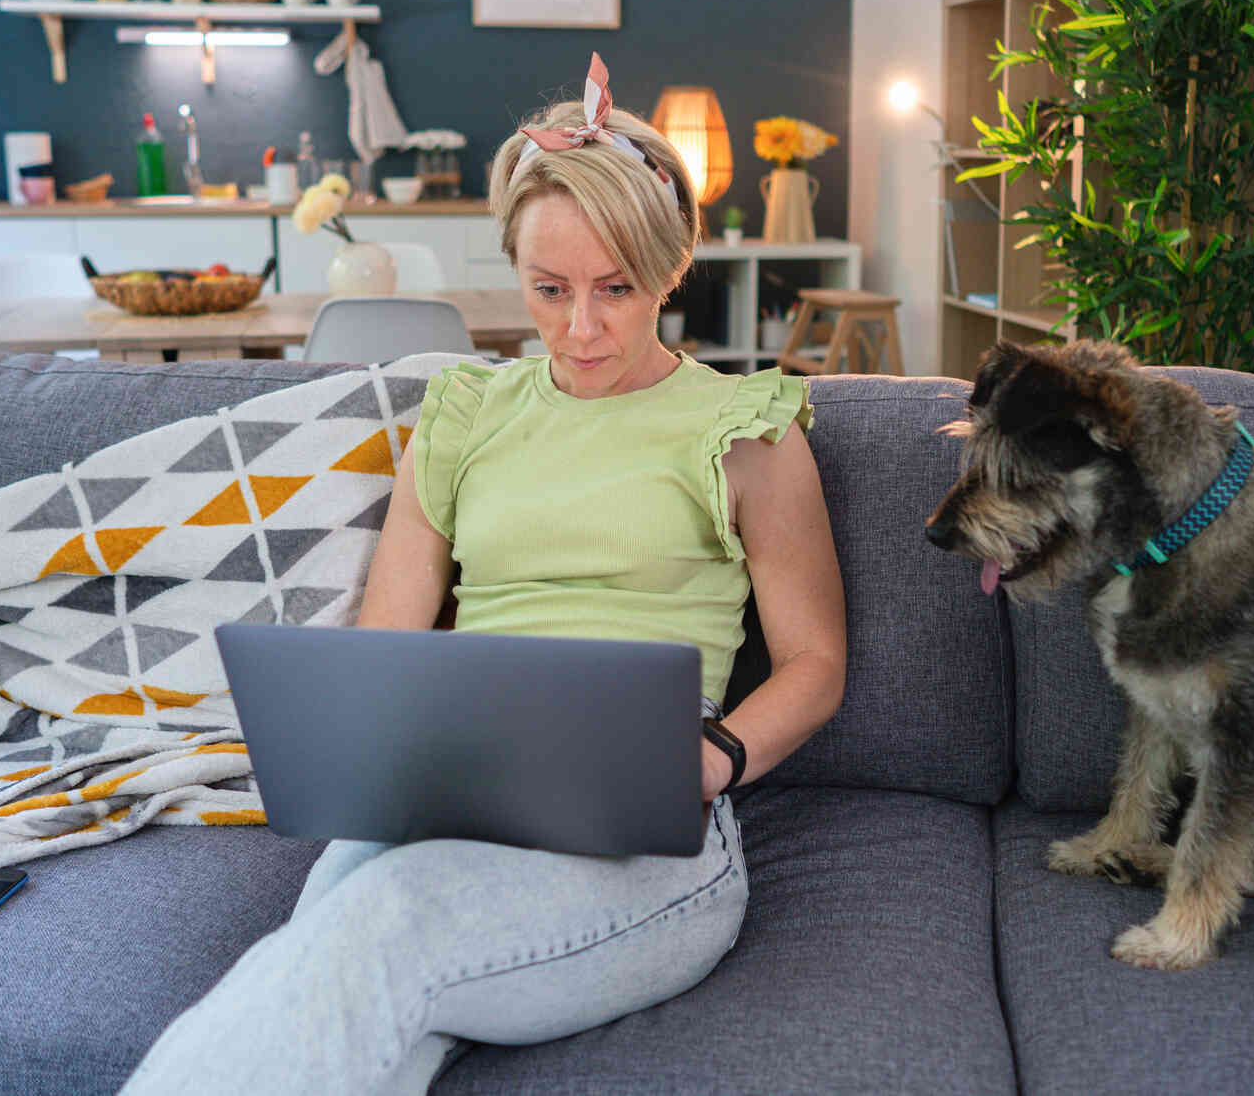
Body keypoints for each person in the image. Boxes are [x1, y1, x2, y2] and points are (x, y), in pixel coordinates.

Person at [123, 54, 846, 1094]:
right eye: (548, 290)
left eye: (615, 290)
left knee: (370, 935)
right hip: (458, 789)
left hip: (654, 832)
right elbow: (387, 648)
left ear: (671, 264)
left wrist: (711, 757)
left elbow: (816, 662)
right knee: (322, 967)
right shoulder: (462, 414)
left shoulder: (746, 427)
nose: (580, 328)